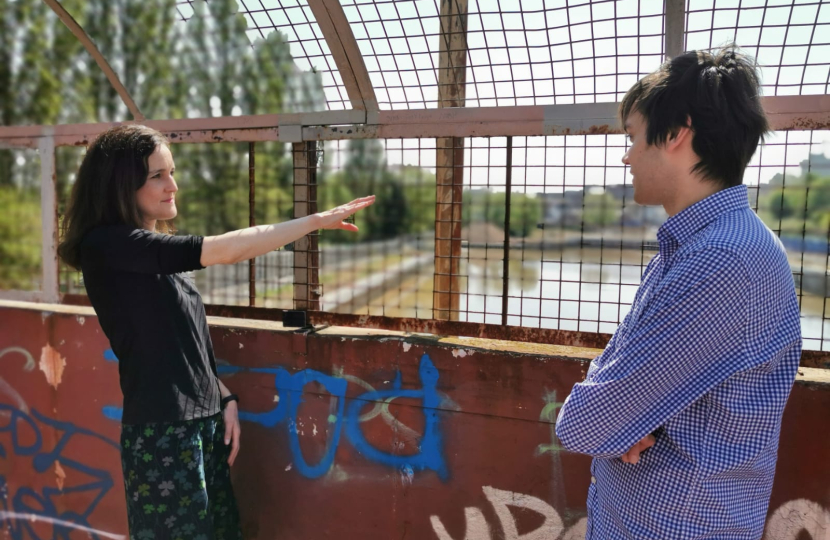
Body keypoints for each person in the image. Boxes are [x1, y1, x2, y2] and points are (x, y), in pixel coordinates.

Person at [57, 125, 374, 540]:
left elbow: (180, 342)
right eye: (157, 176)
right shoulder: (109, 245)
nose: (173, 185)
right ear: (120, 182)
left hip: (203, 424)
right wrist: (315, 221)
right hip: (163, 433)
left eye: (171, 172)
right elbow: (228, 249)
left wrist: (222, 397)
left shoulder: (145, 248)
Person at [555, 47, 802, 539]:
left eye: (633, 136)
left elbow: (586, 423)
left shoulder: (720, 261)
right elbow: (615, 376)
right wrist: (624, 415)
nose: (626, 154)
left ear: (677, 133)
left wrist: (619, 419)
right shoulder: (699, 245)